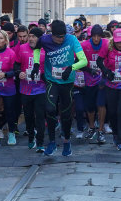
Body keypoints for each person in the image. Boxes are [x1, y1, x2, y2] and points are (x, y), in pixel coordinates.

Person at [37, 20, 88, 156]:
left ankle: (66, 141)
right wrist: (36, 64)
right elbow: (36, 48)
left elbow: (84, 60)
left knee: (66, 114)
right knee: (50, 109)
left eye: (63, 37)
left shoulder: (71, 39)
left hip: (67, 81)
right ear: (52, 35)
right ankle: (52, 142)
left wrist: (72, 67)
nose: (61, 39)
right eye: (58, 37)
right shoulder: (45, 40)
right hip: (52, 80)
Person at [78, 25, 109, 144]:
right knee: (90, 107)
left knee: (101, 104)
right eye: (94, 36)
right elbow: (78, 61)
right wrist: (89, 70)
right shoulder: (84, 45)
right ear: (91, 36)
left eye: (98, 36)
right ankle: (92, 127)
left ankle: (100, 130)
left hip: (102, 79)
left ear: (101, 36)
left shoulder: (107, 44)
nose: (96, 38)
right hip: (89, 80)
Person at [15, 27, 46, 150]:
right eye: (30, 36)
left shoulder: (45, 50)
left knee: (39, 116)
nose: (32, 39)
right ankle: (31, 136)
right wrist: (19, 73)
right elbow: (16, 64)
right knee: (28, 116)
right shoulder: (22, 48)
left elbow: (50, 67)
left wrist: (43, 75)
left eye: (34, 37)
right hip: (26, 89)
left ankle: (40, 142)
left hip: (41, 89)